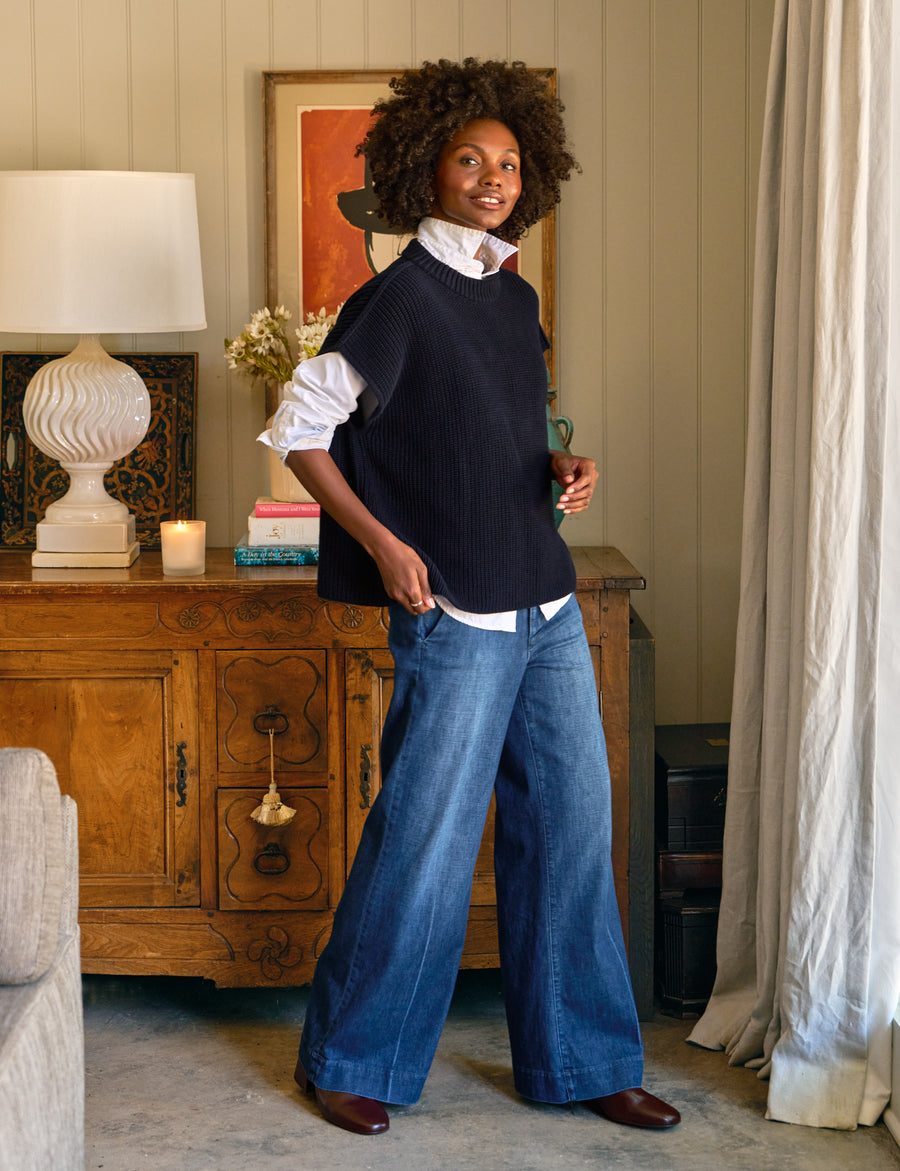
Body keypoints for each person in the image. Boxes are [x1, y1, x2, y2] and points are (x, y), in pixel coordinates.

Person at [259, 58, 680, 1138]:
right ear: (427, 168)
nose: (494, 178)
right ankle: (352, 1056)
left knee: (573, 835)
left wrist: (560, 468)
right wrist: (383, 543)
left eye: (509, 162)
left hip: (545, 604)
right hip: (454, 616)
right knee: (426, 845)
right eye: (470, 160)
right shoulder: (399, 296)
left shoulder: (512, 293)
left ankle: (584, 1059)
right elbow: (299, 429)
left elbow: (498, 429)